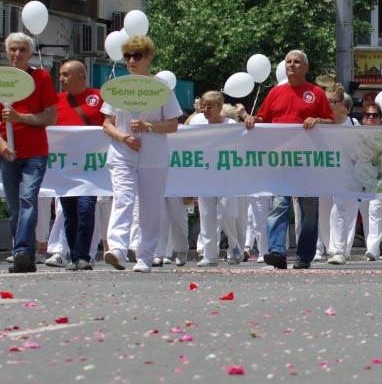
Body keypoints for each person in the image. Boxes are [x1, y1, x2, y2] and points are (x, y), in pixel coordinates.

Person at [243, 50, 333, 270]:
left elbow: (331, 123)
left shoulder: (316, 93)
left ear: (306, 67)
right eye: (288, 62)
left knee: (309, 210)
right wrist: (253, 120)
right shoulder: (275, 93)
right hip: (280, 160)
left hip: (308, 161)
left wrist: (318, 120)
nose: (292, 65)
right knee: (278, 205)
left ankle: (304, 256)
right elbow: (263, 118)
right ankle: (277, 252)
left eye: (297, 62)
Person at [101, 36, 183, 272]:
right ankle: (117, 248)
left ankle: (145, 256)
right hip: (122, 153)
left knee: (151, 206)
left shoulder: (161, 88)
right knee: (123, 198)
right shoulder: (117, 86)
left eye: (136, 56)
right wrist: (123, 137)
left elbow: (173, 123)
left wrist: (148, 127)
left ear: (148, 58)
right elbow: (107, 123)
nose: (131, 61)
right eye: (127, 56)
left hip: (153, 155)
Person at [0, 33, 58, 273]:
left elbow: (50, 116)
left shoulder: (42, 78)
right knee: (14, 207)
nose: (17, 54)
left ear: (30, 53)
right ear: (7, 53)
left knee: (28, 199)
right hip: (7, 153)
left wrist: (19, 117)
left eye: (22, 49)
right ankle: (26, 255)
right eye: (13, 49)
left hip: (35, 152)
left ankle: (22, 250)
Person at [45, 60, 102, 271]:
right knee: (70, 213)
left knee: (86, 209)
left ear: (81, 77)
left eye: (65, 74)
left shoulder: (99, 98)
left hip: (91, 167)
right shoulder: (56, 101)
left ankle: (83, 256)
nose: (60, 79)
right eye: (60, 74)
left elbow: (111, 123)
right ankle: (74, 255)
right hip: (65, 168)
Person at [192, 91, 243, 267]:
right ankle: (210, 255)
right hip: (204, 175)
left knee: (227, 213)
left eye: (210, 107)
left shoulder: (231, 125)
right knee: (207, 216)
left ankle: (234, 244)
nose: (205, 110)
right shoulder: (197, 122)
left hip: (226, 176)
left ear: (220, 107)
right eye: (203, 106)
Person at [318, 86, 359, 265]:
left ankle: (339, 250)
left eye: (332, 102)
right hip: (324, 177)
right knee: (325, 214)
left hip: (347, 177)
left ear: (342, 104)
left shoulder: (352, 125)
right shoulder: (320, 125)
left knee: (339, 211)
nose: (328, 105)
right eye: (325, 101)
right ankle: (331, 249)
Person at [356, 101, 382, 261]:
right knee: (373, 214)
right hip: (369, 180)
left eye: (375, 115)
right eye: (368, 115)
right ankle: (372, 249)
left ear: (380, 118)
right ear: (363, 118)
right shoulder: (357, 136)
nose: (371, 118)